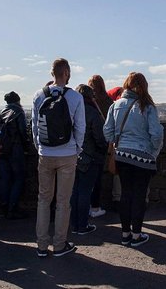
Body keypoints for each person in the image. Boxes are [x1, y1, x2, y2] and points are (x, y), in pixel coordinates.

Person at [32, 58, 85, 258]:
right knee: (63, 202)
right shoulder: (75, 97)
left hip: (45, 154)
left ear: (51, 73)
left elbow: (35, 127)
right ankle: (60, 244)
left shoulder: (39, 95)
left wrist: (40, 148)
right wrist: (77, 148)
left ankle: (41, 246)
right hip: (67, 154)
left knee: (43, 200)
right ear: (67, 73)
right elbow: (80, 127)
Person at [104, 72, 163, 248]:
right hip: (143, 157)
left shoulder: (116, 105)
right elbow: (157, 134)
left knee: (125, 194)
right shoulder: (147, 106)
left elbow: (107, 131)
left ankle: (125, 234)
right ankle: (136, 235)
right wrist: (153, 151)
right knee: (139, 196)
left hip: (122, 155)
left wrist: (118, 141)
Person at [70, 85, 108, 235]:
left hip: (72, 155)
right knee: (85, 191)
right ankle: (82, 225)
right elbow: (99, 137)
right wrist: (103, 149)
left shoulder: (71, 110)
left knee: (75, 191)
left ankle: (74, 224)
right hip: (90, 157)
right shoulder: (92, 112)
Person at [0, 91, 29, 220]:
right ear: (18, 100)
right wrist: (26, 146)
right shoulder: (18, 112)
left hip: (3, 149)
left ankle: (4, 206)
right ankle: (12, 207)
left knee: (5, 178)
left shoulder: (1, 113)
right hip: (16, 149)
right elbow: (22, 131)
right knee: (19, 178)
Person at [87, 75, 112, 218]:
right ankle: (95, 207)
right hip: (102, 141)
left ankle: (86, 207)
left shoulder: (89, 101)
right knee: (97, 179)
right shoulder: (108, 100)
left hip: (87, 142)